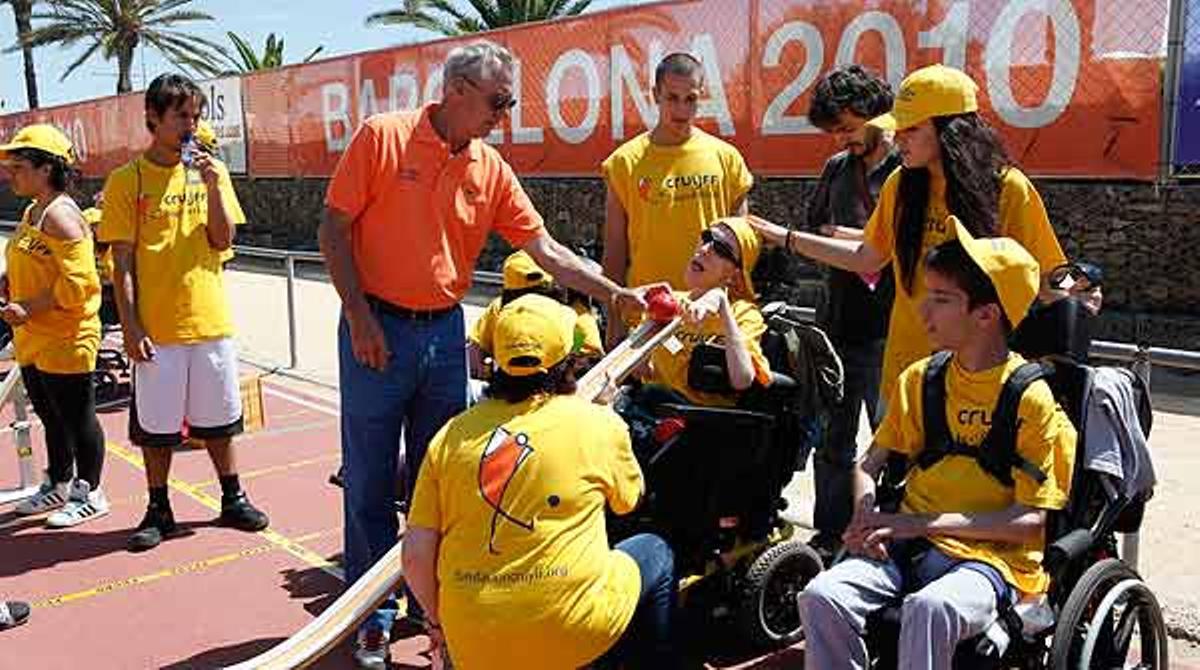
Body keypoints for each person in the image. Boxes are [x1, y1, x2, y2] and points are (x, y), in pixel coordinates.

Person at [318, 40, 641, 668]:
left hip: (442, 332)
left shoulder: (489, 166)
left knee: (447, 479)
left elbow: (545, 248)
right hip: (375, 328)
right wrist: (359, 317)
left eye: (510, 104)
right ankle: (373, 621)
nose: (504, 115)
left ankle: (434, 608)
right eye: (498, 102)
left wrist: (615, 291)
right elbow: (333, 229)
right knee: (369, 479)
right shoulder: (382, 138)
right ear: (457, 91)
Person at [796, 217, 1077, 670]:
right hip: (908, 543)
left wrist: (919, 524)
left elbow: (1028, 522)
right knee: (821, 595)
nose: (923, 311)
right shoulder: (922, 379)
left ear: (986, 314)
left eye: (941, 300)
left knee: (931, 609)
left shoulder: (1031, 399)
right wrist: (866, 514)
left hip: (992, 562)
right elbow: (867, 466)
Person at [748, 64, 1068, 404]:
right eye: (896, 129)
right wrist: (785, 237)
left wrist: (1081, 289)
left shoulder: (1007, 189)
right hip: (905, 374)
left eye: (910, 130)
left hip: (980, 382)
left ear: (951, 129)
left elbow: (1051, 274)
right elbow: (868, 256)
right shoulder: (900, 185)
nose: (898, 139)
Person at [403, 294, 676, 670]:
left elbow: (415, 555)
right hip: (573, 630)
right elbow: (629, 501)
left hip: (473, 642)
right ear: (569, 359)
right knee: (656, 551)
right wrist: (611, 417)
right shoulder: (597, 423)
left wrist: (437, 622)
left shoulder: (451, 437)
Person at [98, 74, 269, 552]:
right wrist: (130, 326)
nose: (190, 127)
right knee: (156, 428)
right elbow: (123, 262)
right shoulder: (125, 181)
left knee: (221, 420)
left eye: (196, 117)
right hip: (158, 330)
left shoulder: (208, 171)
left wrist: (214, 185)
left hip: (210, 321)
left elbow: (223, 240)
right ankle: (159, 507)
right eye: (181, 117)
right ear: (152, 119)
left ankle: (232, 497)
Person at [802, 65, 902, 561]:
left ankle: (890, 540)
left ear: (878, 112)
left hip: (893, 332)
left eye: (847, 127)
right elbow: (814, 227)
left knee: (893, 445)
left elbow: (904, 245)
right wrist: (853, 240)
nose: (841, 140)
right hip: (838, 325)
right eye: (834, 131)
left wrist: (865, 244)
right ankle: (829, 536)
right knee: (833, 443)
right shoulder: (837, 169)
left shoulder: (909, 169)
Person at [601, 52, 753, 346]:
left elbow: (742, 248)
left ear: (701, 96)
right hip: (649, 319)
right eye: (672, 97)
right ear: (655, 94)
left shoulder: (727, 159)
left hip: (710, 319)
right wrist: (615, 321)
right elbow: (615, 249)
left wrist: (739, 313)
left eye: (691, 99)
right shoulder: (625, 162)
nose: (682, 109)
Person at [0, 124, 109, 528]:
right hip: (34, 336)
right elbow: (34, 259)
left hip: (65, 335)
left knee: (77, 417)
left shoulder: (63, 216)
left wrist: (29, 305)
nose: (10, 172)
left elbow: (80, 285)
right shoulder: (34, 211)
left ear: (47, 169)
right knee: (51, 415)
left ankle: (90, 491)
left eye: (19, 165)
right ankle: (59, 482)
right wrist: (10, 281)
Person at [639, 216, 771, 408]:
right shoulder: (670, 302)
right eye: (707, 237)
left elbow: (742, 379)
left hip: (704, 422)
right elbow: (644, 371)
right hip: (655, 409)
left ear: (734, 275)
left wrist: (721, 303)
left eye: (721, 250)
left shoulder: (743, 313)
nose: (705, 249)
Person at [467, 250, 603, 382]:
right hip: (507, 388)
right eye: (522, 296)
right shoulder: (497, 309)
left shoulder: (577, 318)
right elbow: (475, 350)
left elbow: (583, 360)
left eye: (538, 295)